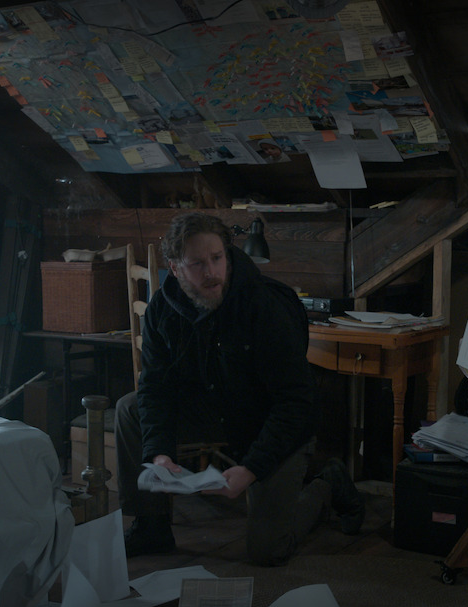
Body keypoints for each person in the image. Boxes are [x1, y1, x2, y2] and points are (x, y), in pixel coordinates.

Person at [114, 213, 364, 565]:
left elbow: (296, 402)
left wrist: (251, 468)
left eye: (217, 258)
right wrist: (158, 454)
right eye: (197, 264)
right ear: (174, 268)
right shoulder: (161, 312)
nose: (212, 272)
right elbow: (156, 389)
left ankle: (326, 484)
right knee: (129, 408)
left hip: (269, 421)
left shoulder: (265, 305)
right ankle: (152, 524)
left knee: (267, 551)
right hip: (210, 410)